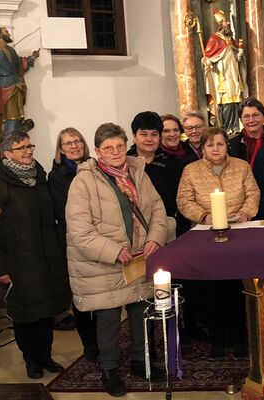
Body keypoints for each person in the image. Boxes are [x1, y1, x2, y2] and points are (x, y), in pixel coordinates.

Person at [66, 122, 168, 396]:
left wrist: (155, 238)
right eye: (108, 148)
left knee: (141, 313)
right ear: (97, 151)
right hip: (104, 263)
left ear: (126, 146)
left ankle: (141, 362)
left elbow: (157, 209)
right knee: (109, 320)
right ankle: (109, 370)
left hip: (138, 257)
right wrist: (113, 251)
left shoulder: (138, 172)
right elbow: (79, 230)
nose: (115, 152)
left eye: (120, 146)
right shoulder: (84, 181)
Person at [0, 130, 71, 380]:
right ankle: (31, 360)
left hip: (46, 257)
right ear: (7, 154)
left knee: (46, 311)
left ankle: (46, 356)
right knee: (26, 314)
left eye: (29, 146)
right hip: (19, 262)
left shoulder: (39, 177)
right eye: (21, 148)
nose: (28, 151)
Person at [177, 127, 260, 357]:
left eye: (220, 144)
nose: (215, 149)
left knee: (236, 288)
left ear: (227, 146)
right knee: (212, 290)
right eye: (210, 145)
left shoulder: (241, 167)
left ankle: (239, 339)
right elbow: (184, 200)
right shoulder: (191, 170)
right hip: (206, 234)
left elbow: (253, 193)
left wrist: (245, 212)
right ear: (203, 148)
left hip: (238, 232)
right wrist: (204, 216)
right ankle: (217, 341)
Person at [47, 127, 96, 360]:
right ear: (61, 149)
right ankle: (90, 344)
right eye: (68, 143)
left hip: (99, 235)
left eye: (77, 141)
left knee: (101, 291)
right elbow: (62, 211)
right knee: (82, 294)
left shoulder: (96, 167)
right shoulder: (56, 176)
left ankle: (104, 339)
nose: (74, 146)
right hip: (74, 238)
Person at [126, 112, 190, 237]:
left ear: (159, 137)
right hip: (132, 230)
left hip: (167, 227)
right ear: (134, 136)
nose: (149, 139)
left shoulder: (174, 164)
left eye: (154, 134)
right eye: (144, 134)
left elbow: (182, 201)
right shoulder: (124, 164)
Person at [203, 7, 245, 134]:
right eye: (226, 22)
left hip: (233, 75)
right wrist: (207, 63)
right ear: (220, 25)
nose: (228, 24)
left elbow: (236, 58)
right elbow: (207, 57)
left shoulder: (230, 39)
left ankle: (235, 127)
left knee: (235, 100)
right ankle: (226, 127)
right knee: (225, 101)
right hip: (222, 77)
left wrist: (239, 55)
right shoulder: (214, 39)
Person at [228, 97, 264, 166]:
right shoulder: (231, 145)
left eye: (255, 115)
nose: (251, 120)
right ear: (241, 120)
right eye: (246, 116)